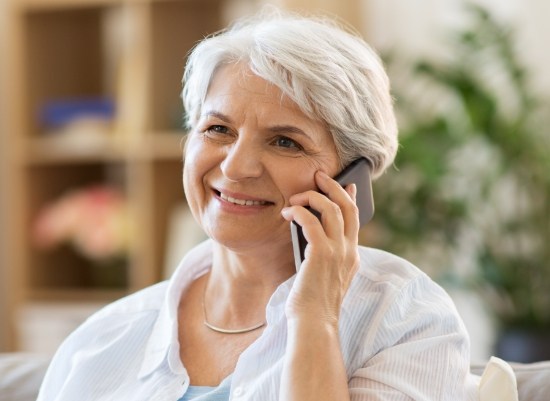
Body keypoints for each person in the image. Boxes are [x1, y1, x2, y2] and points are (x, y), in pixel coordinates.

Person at [37, 8, 478, 401]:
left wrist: (316, 317)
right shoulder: (99, 341)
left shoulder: (406, 320)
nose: (236, 167)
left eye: (285, 141)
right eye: (218, 130)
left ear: (352, 179)